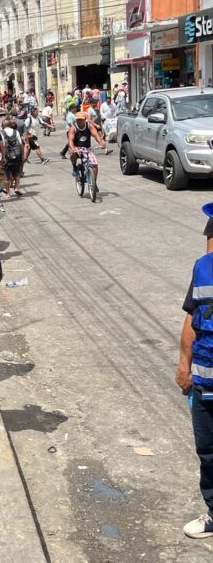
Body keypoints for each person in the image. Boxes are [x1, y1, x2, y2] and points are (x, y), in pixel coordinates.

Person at [177, 202, 213, 538]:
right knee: (208, 450)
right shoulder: (202, 269)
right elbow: (192, 318)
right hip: (205, 382)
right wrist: (184, 366)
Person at [68, 112, 107, 186]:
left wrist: (101, 143)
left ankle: (94, 182)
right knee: (73, 153)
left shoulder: (89, 126)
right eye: (78, 120)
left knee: (94, 164)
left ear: (85, 119)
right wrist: (73, 148)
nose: (79, 121)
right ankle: (74, 167)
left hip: (87, 148)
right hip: (77, 147)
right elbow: (70, 140)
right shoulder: (73, 128)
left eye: (81, 120)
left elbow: (96, 135)